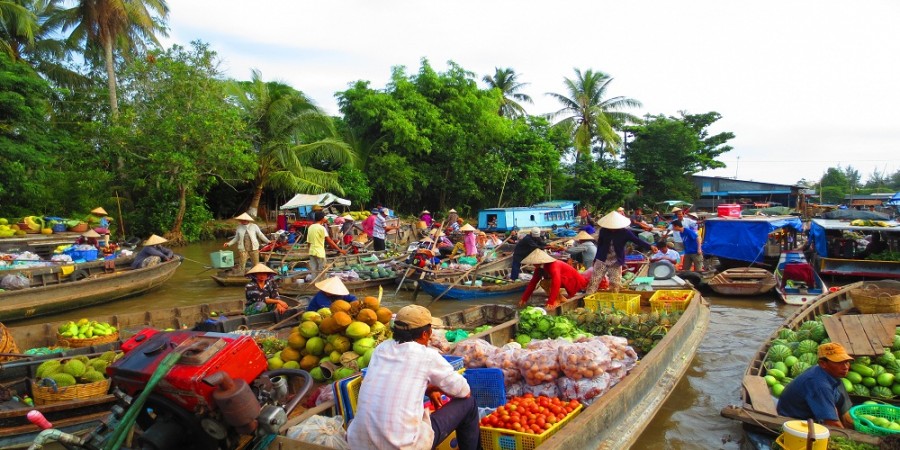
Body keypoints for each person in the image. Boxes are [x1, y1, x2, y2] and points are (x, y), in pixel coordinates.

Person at [348, 305, 479, 450]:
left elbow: (397, 381)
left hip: (358, 443)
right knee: (469, 403)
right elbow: (463, 391)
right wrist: (437, 387)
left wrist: (429, 389)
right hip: (403, 446)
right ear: (425, 334)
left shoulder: (381, 349)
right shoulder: (427, 356)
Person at [777, 343, 854, 429]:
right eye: (839, 362)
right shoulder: (820, 385)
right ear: (822, 364)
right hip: (795, 422)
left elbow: (832, 405)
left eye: (846, 362)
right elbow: (831, 423)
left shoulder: (825, 373)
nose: (845, 367)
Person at [586, 211, 652, 294]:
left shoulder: (625, 232)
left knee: (615, 282)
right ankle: (588, 297)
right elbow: (600, 245)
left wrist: (650, 246)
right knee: (594, 280)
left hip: (616, 260)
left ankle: (614, 299)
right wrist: (595, 259)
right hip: (602, 258)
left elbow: (637, 240)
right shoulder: (603, 231)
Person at [519, 249, 590, 309]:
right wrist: (524, 298)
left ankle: (556, 300)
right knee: (543, 282)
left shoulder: (553, 265)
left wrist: (551, 301)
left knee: (548, 282)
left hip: (574, 281)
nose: (533, 264)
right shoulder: (539, 269)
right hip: (565, 281)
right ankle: (560, 298)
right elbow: (533, 283)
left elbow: (556, 282)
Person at [308, 211, 346, 278]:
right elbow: (330, 241)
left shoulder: (310, 227)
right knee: (322, 270)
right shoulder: (321, 228)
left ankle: (315, 285)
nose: (326, 219)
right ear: (322, 218)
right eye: (325, 218)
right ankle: (322, 285)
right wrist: (340, 250)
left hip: (312, 252)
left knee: (314, 270)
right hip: (319, 253)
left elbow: (308, 242)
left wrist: (309, 250)